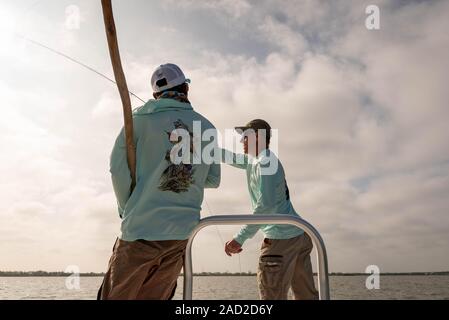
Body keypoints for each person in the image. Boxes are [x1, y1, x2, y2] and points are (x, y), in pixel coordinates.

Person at [98, 63, 220, 300]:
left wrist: (127, 209)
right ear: (186, 88)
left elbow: (117, 170)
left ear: (155, 94)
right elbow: (212, 180)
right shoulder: (208, 128)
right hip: (181, 235)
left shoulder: (138, 121)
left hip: (139, 231)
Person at [223, 119, 318, 300]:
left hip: (281, 239)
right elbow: (229, 157)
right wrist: (198, 148)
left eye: (245, 136)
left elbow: (265, 208)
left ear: (257, 137)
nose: (242, 141)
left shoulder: (265, 162)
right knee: (307, 296)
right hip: (299, 235)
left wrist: (239, 239)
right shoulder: (256, 161)